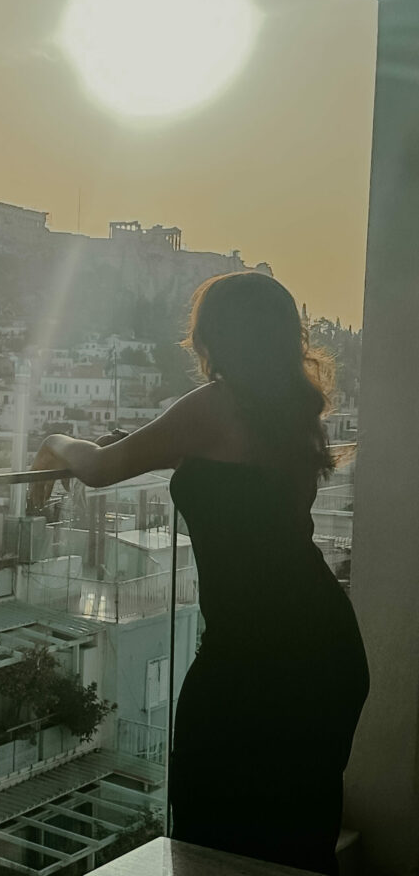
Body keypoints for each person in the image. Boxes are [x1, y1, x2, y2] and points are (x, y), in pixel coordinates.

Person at [29, 271, 368, 876]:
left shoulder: (216, 405)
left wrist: (54, 442)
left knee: (212, 833)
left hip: (254, 659)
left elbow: (102, 469)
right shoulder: (289, 410)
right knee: (294, 836)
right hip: (323, 650)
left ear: (216, 338)